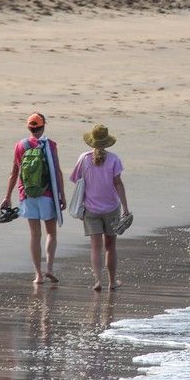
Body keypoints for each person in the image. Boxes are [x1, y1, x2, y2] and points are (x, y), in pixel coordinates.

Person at [0, 112, 66, 285]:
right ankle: (49, 269)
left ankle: (37, 275)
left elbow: (14, 174)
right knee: (51, 233)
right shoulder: (50, 145)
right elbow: (57, 172)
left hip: (27, 195)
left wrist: (7, 197)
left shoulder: (20, 145)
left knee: (35, 235)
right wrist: (62, 195)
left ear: (29, 127)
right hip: (47, 195)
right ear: (44, 126)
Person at [70, 124, 131, 291]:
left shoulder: (83, 159)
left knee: (95, 247)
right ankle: (112, 282)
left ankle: (97, 280)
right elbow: (118, 183)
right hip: (111, 208)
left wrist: (81, 204)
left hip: (90, 209)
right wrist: (125, 207)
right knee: (110, 246)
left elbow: (78, 181)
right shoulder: (114, 159)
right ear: (107, 142)